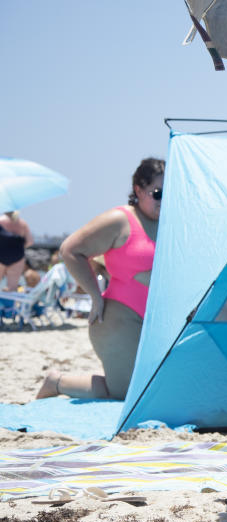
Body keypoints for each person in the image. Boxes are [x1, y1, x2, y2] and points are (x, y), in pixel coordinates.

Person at [35, 158, 163, 400]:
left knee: (154, 390)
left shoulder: (170, 223)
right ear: (138, 190)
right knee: (127, 394)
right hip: (118, 319)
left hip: (153, 325)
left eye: (170, 194)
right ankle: (57, 381)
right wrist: (95, 295)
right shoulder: (120, 220)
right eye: (158, 193)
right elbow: (70, 250)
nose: (163, 200)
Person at [0, 210, 34, 291]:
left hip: (1, 254)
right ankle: (9, 303)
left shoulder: (1, 221)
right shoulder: (22, 223)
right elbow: (30, 242)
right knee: (12, 286)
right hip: (17, 255)